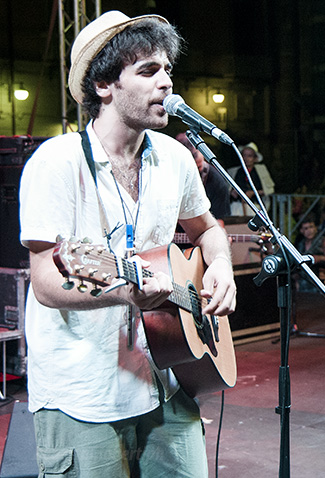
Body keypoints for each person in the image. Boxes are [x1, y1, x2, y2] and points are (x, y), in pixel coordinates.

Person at [18, 11, 236, 477]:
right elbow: (45, 281)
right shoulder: (55, 164)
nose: (167, 84)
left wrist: (220, 266)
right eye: (148, 71)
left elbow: (209, 229)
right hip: (84, 395)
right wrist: (122, 291)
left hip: (168, 380)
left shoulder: (175, 157)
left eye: (168, 70)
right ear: (104, 86)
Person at [175, 132, 231, 221]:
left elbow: (219, 220)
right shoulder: (166, 175)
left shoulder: (217, 182)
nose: (196, 172)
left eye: (199, 167)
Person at [228, 141, 275, 216]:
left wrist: (253, 193)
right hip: (236, 207)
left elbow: (269, 190)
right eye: (244, 155)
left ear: (255, 158)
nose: (246, 158)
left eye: (249, 156)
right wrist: (232, 192)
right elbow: (227, 189)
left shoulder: (261, 171)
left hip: (255, 207)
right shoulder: (234, 171)